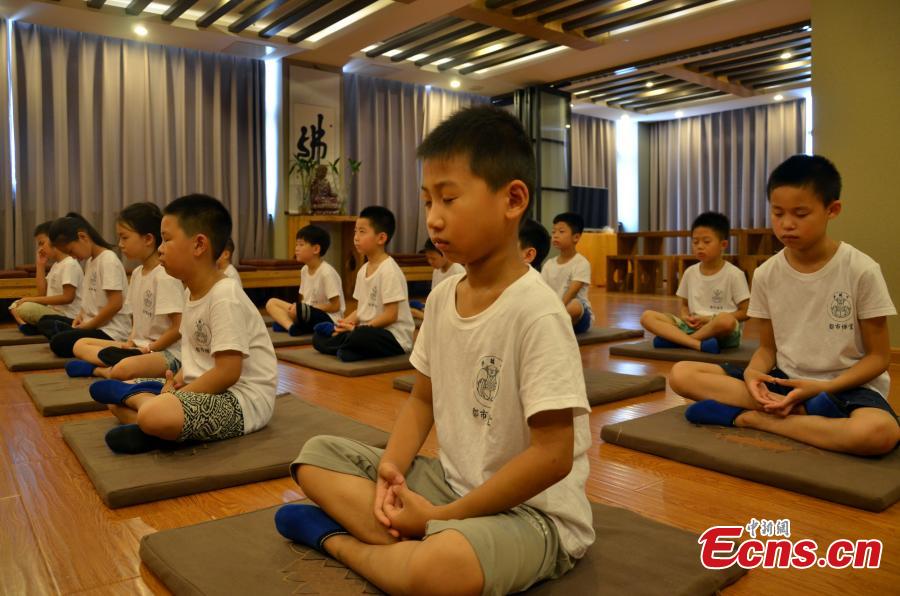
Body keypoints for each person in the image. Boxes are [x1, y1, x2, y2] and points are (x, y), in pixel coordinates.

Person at [275, 106, 594, 595]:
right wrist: (392, 471)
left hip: (532, 513)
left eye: (448, 199)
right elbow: (421, 401)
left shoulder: (538, 313)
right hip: (449, 482)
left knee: (440, 567)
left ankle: (339, 540)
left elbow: (553, 457)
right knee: (314, 456)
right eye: (427, 202)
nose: (434, 219)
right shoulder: (444, 296)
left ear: (512, 200)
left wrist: (440, 519)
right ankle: (408, 537)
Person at [669, 154, 899, 456]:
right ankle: (801, 413)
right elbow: (767, 350)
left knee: (878, 433)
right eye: (778, 213)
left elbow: (879, 357)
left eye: (800, 214)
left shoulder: (861, 270)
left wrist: (826, 387)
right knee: (681, 374)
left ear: (833, 210)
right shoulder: (767, 273)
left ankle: (754, 419)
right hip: (782, 381)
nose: (787, 224)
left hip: (845, 389)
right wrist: (753, 375)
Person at [88, 195, 277, 455]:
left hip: (242, 400)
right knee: (115, 403)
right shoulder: (190, 293)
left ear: (199, 244)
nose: (161, 248)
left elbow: (228, 373)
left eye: (166, 239)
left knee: (150, 411)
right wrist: (175, 381)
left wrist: (174, 398)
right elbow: (195, 357)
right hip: (204, 389)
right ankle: (160, 429)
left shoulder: (225, 296)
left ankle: (154, 422)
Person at [66, 203, 183, 380]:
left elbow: (178, 328)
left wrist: (150, 348)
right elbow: (136, 320)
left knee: (124, 368)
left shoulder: (165, 275)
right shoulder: (136, 274)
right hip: (137, 347)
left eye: (125, 237)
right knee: (80, 344)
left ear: (148, 239)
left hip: (165, 352)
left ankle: (100, 370)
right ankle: (114, 364)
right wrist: (130, 342)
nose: (120, 244)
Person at [311, 206, 415, 362]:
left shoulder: (389, 270)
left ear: (381, 238)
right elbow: (361, 310)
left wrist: (358, 329)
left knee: (360, 336)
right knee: (318, 337)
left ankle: (348, 347)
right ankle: (348, 348)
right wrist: (343, 324)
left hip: (392, 337)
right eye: (355, 231)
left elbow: (391, 315)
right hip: (365, 331)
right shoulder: (363, 270)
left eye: (362, 232)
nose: (356, 237)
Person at [639, 212, 749, 353]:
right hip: (692, 326)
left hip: (719, 330)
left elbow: (746, 312)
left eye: (706, 241)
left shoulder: (734, 274)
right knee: (647, 316)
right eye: (695, 242)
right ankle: (696, 344)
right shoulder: (690, 272)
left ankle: (680, 341)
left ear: (723, 244)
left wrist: (709, 319)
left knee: (725, 320)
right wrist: (685, 316)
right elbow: (685, 305)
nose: (700, 246)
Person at [42, 213, 132, 356]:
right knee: (45, 322)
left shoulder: (108, 260)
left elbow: (116, 303)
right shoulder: (90, 262)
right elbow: (89, 300)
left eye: (71, 251)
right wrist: (81, 316)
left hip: (111, 331)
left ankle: (104, 347)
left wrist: (90, 325)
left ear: (83, 237)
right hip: (93, 325)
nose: (72, 257)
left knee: (58, 343)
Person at [266, 225, 345, 336]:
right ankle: (292, 327)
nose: (296, 248)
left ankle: (294, 324)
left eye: (301, 245)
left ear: (316, 249)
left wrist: (306, 309)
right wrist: (300, 310)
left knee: (294, 312)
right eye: (297, 244)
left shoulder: (327, 272)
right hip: (307, 313)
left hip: (329, 318)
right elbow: (304, 300)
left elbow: (335, 306)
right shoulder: (304, 270)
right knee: (271, 303)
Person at [10, 221, 83, 335]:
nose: (40, 249)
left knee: (25, 308)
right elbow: (42, 292)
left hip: (68, 316)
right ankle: (30, 327)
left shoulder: (70, 264)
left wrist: (30, 299)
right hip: (53, 312)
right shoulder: (56, 265)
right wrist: (40, 265)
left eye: (42, 243)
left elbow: (67, 297)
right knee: (15, 305)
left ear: (54, 240)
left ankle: (36, 327)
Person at [541, 212, 594, 334]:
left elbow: (572, 292)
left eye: (561, 231)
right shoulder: (548, 264)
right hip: (553, 312)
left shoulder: (581, 263)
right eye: (553, 232)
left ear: (576, 237)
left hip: (578, 318)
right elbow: (543, 291)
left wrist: (557, 311)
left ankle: (551, 327)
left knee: (575, 305)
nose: (555, 236)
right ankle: (552, 326)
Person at [409, 238, 465, 320]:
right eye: (428, 258)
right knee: (413, 304)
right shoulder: (436, 271)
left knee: (414, 314)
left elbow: (458, 304)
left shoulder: (457, 271)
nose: (430, 261)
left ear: (445, 254)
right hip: (438, 307)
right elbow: (433, 295)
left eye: (433, 258)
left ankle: (426, 318)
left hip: (450, 311)